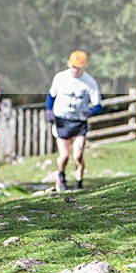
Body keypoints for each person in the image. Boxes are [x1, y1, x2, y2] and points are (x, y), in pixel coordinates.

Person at [45, 50, 101, 192]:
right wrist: (48, 111)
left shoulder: (90, 82)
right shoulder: (60, 78)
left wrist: (90, 112)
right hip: (62, 120)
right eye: (73, 66)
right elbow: (51, 96)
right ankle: (61, 176)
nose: (75, 70)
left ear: (84, 67)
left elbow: (98, 105)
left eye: (78, 67)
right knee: (64, 156)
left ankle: (79, 182)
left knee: (77, 155)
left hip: (79, 122)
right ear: (68, 65)